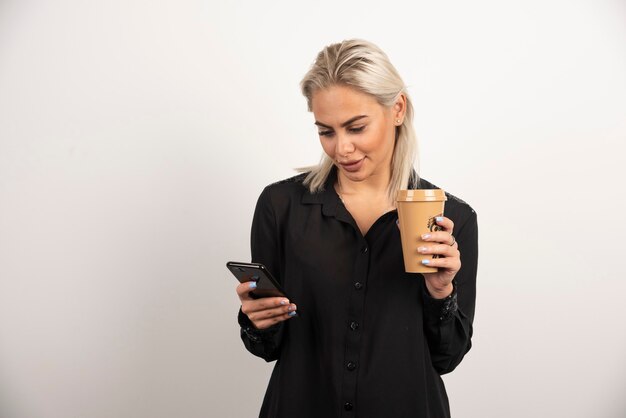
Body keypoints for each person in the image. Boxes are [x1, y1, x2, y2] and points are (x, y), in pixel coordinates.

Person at [234, 39, 478, 418]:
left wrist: (441, 291)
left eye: (356, 127)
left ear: (397, 109)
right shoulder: (281, 207)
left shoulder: (452, 217)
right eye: (326, 131)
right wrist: (256, 321)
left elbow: (447, 358)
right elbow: (267, 347)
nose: (342, 148)